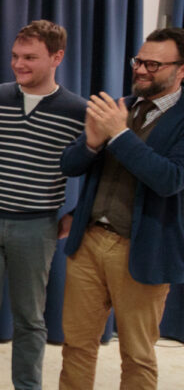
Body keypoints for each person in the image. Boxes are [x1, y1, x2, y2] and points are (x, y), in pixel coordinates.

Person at [0, 21, 86, 390]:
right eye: (16, 56)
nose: (19, 64)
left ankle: (27, 386)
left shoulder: (77, 111)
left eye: (30, 57)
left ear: (57, 57)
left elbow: (102, 168)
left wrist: (76, 215)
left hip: (37, 227)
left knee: (30, 318)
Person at [58, 26, 184, 389]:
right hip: (90, 242)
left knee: (137, 355)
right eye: (139, 60)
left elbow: (169, 179)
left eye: (154, 65)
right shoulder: (120, 107)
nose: (141, 70)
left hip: (143, 251)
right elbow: (70, 165)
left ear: (181, 70)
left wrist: (120, 135)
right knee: (77, 346)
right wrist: (92, 144)